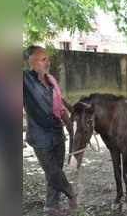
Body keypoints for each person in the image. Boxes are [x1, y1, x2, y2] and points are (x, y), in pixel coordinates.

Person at [23, 46, 77, 215]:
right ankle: (71, 192)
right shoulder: (24, 79)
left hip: (57, 133)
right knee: (52, 171)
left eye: (48, 58)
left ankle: (51, 206)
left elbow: (59, 105)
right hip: (40, 137)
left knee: (55, 172)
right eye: (43, 59)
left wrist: (70, 124)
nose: (48, 62)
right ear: (30, 62)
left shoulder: (51, 80)